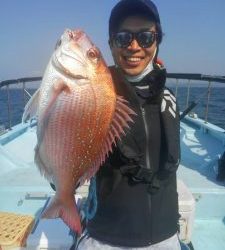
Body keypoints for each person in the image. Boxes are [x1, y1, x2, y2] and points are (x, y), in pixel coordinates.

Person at [76, 0, 181, 249]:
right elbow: (73, 169)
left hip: (165, 235)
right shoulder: (93, 96)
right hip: (106, 236)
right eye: (123, 37)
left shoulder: (168, 98)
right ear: (111, 44)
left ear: (157, 42)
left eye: (146, 37)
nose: (134, 46)